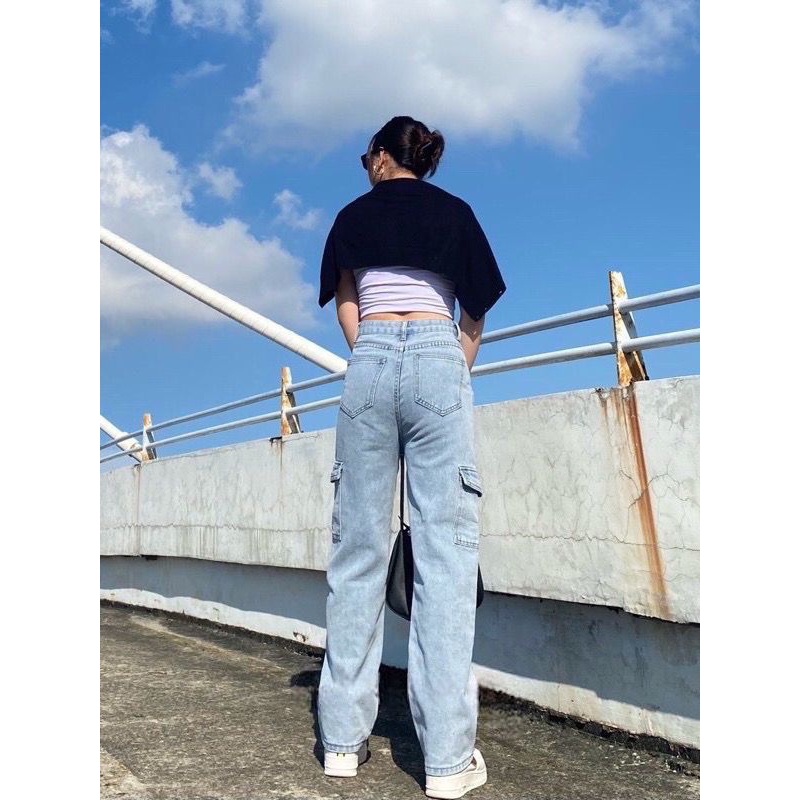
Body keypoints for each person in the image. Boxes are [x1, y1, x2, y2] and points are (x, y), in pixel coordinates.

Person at [316, 115, 506, 799]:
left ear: (379, 157)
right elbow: (474, 313)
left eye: (364, 156)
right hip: (435, 351)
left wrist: (375, 354)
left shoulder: (352, 216)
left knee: (357, 555)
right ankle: (447, 763)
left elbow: (347, 303)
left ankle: (342, 745)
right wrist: (449, 369)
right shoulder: (455, 212)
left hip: (369, 358)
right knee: (446, 561)